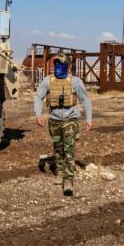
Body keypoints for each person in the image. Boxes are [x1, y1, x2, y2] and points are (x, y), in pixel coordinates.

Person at [34, 52, 93, 196]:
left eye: (61, 64)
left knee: (69, 148)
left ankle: (68, 181)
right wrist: (38, 114)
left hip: (70, 120)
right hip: (54, 120)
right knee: (58, 148)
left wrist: (89, 118)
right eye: (56, 64)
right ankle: (60, 172)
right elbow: (39, 97)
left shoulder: (75, 81)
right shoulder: (48, 81)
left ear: (68, 66)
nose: (58, 67)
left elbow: (85, 100)